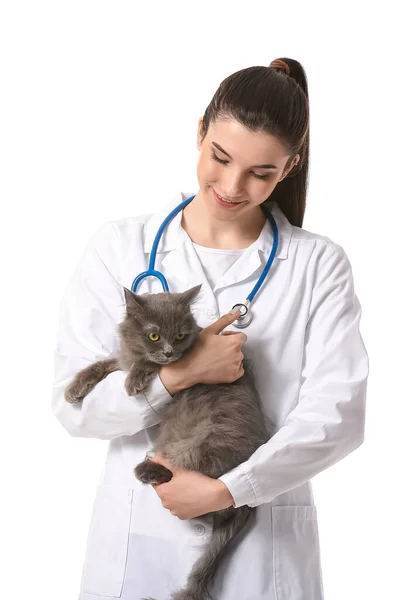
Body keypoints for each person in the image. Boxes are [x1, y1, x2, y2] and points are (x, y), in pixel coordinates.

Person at [52, 57, 369, 600]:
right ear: (199, 132)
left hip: (261, 554)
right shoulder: (118, 247)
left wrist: (230, 490)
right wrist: (179, 374)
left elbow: (337, 416)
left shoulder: (318, 265)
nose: (231, 184)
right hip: (138, 546)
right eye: (219, 157)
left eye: (261, 173)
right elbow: (75, 410)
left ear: (290, 167)